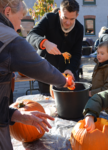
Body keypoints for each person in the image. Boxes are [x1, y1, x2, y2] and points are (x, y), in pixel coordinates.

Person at [0, 0, 75, 149]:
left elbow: (77, 53)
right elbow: (39, 65)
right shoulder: (8, 38)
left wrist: (15, 115)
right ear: (8, 12)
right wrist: (64, 81)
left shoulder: (78, 28)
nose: (19, 27)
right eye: (20, 19)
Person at [27, 0, 83, 94]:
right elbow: (31, 36)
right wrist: (44, 43)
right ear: (60, 12)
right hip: (46, 72)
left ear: (76, 16)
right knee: (48, 100)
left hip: (66, 74)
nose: (68, 22)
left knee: (67, 102)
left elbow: (76, 53)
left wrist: (70, 69)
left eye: (72, 19)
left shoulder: (79, 28)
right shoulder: (49, 18)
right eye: (65, 18)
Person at [89, 41, 108, 119]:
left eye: (102, 53)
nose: (98, 55)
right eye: (97, 53)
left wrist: (91, 93)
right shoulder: (98, 65)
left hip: (107, 107)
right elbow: (96, 82)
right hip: (97, 102)